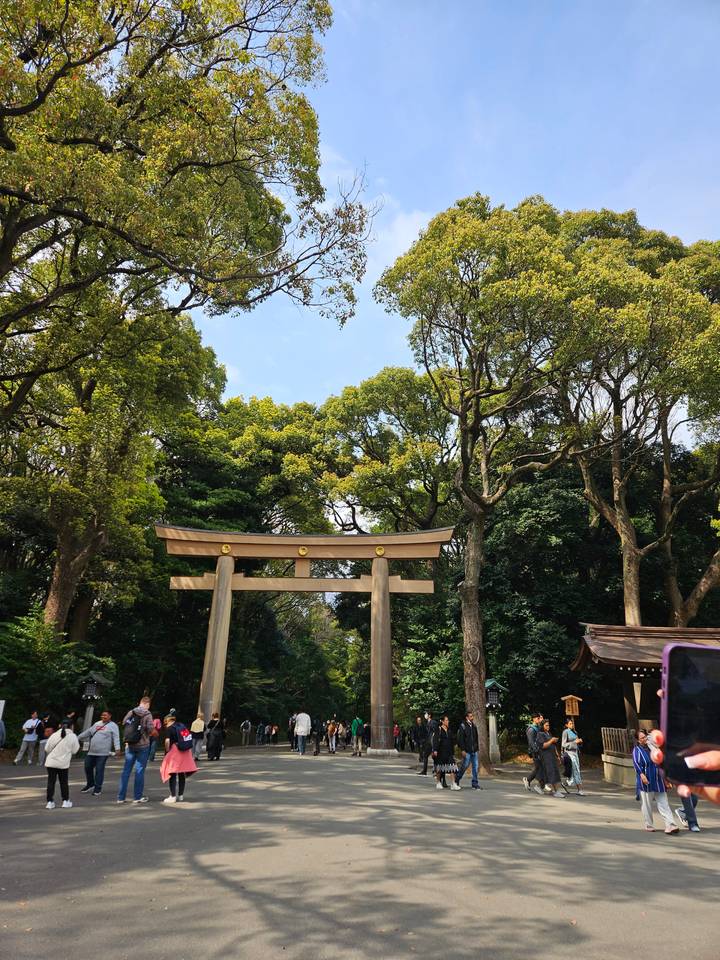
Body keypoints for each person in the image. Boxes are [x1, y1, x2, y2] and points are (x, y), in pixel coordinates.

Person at [648, 728, 720, 808]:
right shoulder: (652, 748)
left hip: (692, 774)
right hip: (674, 776)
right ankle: (684, 813)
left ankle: (682, 812)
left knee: (693, 799)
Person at [632, 730, 678, 833]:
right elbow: (636, 764)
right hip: (646, 780)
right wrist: (641, 775)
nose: (645, 739)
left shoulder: (653, 747)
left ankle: (671, 825)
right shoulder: (637, 750)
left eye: (645, 737)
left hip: (658, 779)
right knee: (647, 804)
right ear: (638, 740)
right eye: (642, 738)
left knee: (663, 803)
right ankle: (649, 825)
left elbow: (661, 762)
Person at [117, 696, 156, 804]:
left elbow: (124, 722)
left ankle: (120, 797)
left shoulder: (132, 711)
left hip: (130, 745)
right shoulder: (148, 714)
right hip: (143, 746)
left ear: (140, 702)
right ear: (148, 704)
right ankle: (137, 797)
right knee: (139, 771)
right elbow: (150, 729)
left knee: (126, 771)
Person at [78, 710, 120, 796]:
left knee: (99, 770)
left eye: (105, 715)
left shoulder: (113, 726)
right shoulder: (97, 724)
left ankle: (97, 789)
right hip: (92, 752)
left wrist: (117, 749)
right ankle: (90, 784)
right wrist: (76, 737)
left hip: (103, 753)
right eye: (102, 715)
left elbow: (116, 738)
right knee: (87, 767)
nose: (103, 716)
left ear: (110, 716)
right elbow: (88, 732)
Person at [160, 714, 198, 803]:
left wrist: (166, 751)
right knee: (181, 774)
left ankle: (172, 796)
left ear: (167, 721)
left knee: (172, 773)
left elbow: (167, 741)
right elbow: (186, 738)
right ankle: (181, 795)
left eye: (165, 724)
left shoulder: (170, 728)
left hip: (175, 752)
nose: (165, 726)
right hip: (185, 752)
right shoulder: (181, 726)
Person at [44, 718, 80, 809]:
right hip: (63, 763)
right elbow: (75, 751)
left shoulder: (54, 735)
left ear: (60, 725)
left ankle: (50, 802)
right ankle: (65, 801)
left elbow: (47, 749)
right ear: (72, 726)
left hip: (51, 762)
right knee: (63, 782)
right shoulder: (73, 736)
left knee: (51, 782)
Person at [536, 720, 565, 798]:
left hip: (552, 756)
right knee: (552, 772)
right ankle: (556, 791)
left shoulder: (548, 733)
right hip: (546, 756)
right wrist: (551, 740)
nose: (548, 727)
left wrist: (557, 755)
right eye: (546, 725)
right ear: (542, 726)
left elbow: (553, 745)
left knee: (548, 773)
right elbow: (543, 746)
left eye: (548, 725)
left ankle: (538, 786)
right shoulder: (540, 734)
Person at [432, 714, 460, 790]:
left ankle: (453, 784)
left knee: (452, 766)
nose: (448, 721)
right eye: (447, 720)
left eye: (448, 720)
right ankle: (438, 782)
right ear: (443, 721)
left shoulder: (449, 730)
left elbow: (452, 741)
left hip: (449, 752)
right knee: (439, 768)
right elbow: (435, 740)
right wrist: (435, 750)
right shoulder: (439, 730)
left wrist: (453, 752)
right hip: (440, 752)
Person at [455, 710, 481, 789]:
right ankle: (457, 779)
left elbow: (476, 737)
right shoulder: (463, 726)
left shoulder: (474, 726)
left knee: (475, 767)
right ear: (467, 717)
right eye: (470, 716)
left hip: (474, 750)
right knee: (465, 766)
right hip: (467, 750)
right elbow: (460, 739)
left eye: (472, 716)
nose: (472, 718)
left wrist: (477, 748)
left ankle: (475, 783)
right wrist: (462, 749)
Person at [522, 712, 545, 795]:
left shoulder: (538, 727)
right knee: (539, 768)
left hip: (540, 750)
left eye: (540, 718)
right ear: (534, 719)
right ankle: (539, 785)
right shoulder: (531, 729)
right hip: (535, 751)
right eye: (538, 718)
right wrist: (536, 750)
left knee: (539, 768)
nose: (539, 720)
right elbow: (531, 742)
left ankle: (529, 780)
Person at [561, 719, 585, 796]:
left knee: (576, 770)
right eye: (570, 723)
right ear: (566, 725)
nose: (572, 725)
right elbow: (563, 744)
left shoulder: (575, 732)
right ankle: (579, 790)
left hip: (576, 753)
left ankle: (566, 783)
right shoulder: (565, 732)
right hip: (569, 753)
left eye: (572, 723)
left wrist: (579, 741)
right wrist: (574, 742)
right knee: (576, 770)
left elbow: (577, 743)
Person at [418, 711, 437, 776]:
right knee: (425, 755)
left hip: (433, 742)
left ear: (429, 715)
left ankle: (436, 771)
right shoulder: (427, 722)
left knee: (434, 757)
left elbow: (435, 731)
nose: (425, 715)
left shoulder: (433, 722)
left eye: (426, 714)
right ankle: (424, 771)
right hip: (428, 742)